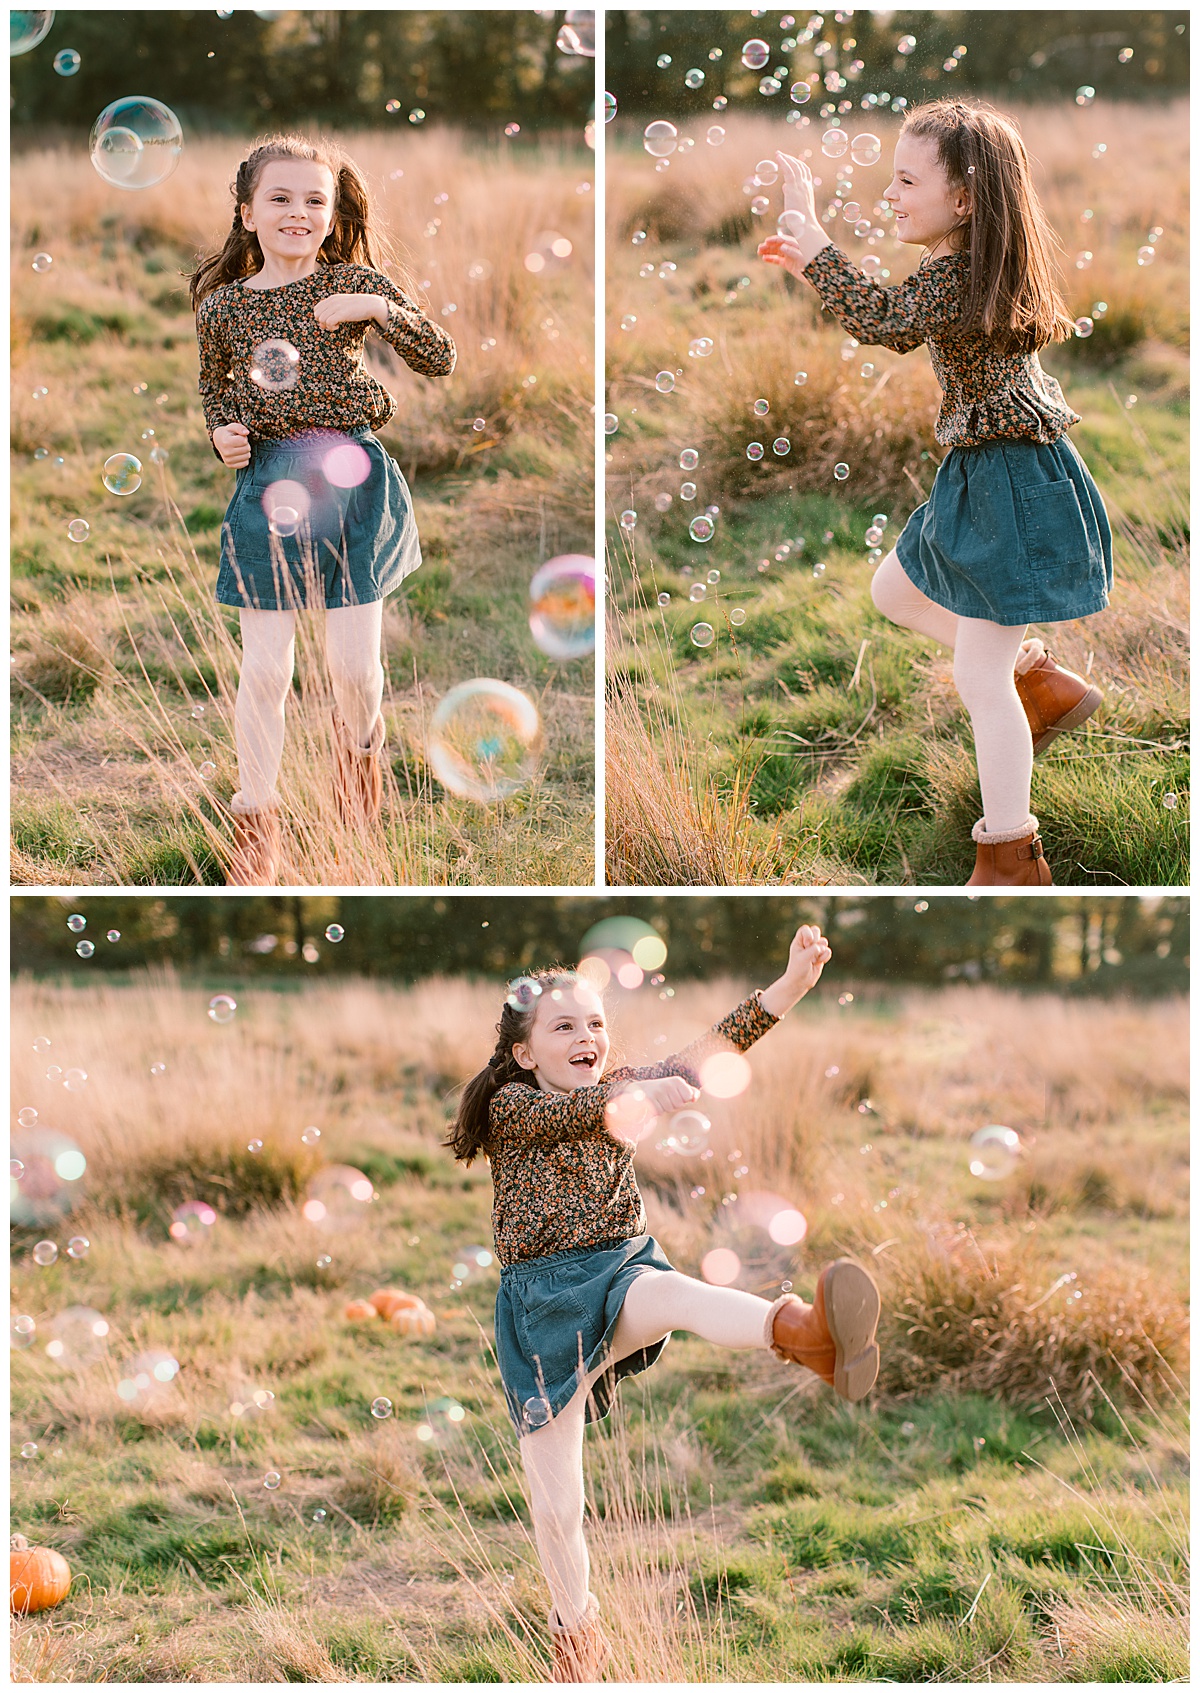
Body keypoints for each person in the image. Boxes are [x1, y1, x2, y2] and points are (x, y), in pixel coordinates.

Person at [447, 926, 882, 1682]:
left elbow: (709, 1052)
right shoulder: (515, 1108)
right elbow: (573, 1115)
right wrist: (633, 1095)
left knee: (675, 1292)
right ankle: (575, 1640)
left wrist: (788, 987)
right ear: (525, 1054)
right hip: (545, 1308)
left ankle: (806, 1335)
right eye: (563, 1027)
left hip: (622, 1273)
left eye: (595, 1024)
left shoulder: (616, 1086)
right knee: (557, 1508)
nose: (586, 1037)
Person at [758, 99, 1112, 885]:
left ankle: (1011, 854)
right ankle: (1038, 682)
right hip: (989, 473)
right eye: (891, 178)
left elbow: (885, 321)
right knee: (895, 590)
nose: (890, 194)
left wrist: (816, 246)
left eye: (907, 181)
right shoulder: (980, 261)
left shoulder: (956, 275)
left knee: (977, 679)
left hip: (1007, 485)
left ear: (964, 199)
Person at [190, 135, 456, 885]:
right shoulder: (223, 308)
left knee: (354, 671)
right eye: (279, 197)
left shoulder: (353, 284)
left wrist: (378, 307)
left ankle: (358, 782)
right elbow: (215, 388)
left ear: (333, 214)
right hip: (270, 487)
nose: (298, 212)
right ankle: (256, 824)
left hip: (352, 480)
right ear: (248, 213)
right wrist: (222, 433)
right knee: (265, 671)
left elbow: (441, 357)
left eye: (315, 200)